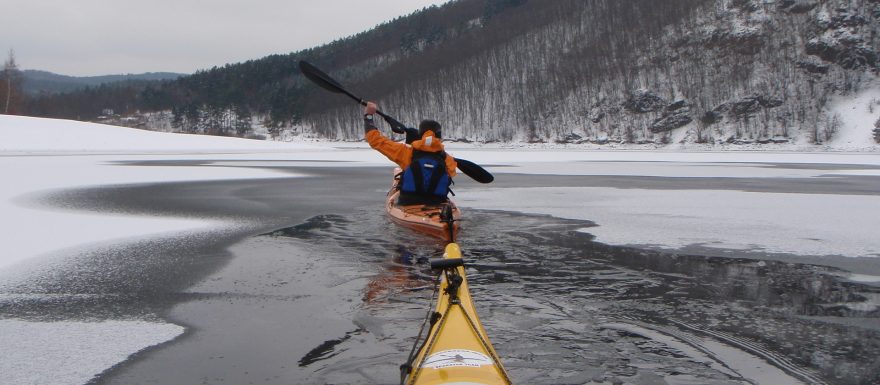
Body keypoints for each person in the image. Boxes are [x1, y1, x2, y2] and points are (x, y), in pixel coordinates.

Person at [363, 101, 457, 205]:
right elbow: (451, 172)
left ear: (420, 135)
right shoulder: (446, 158)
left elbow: (375, 140)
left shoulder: (406, 152)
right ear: (439, 136)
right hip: (437, 203)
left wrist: (369, 116)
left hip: (409, 202)